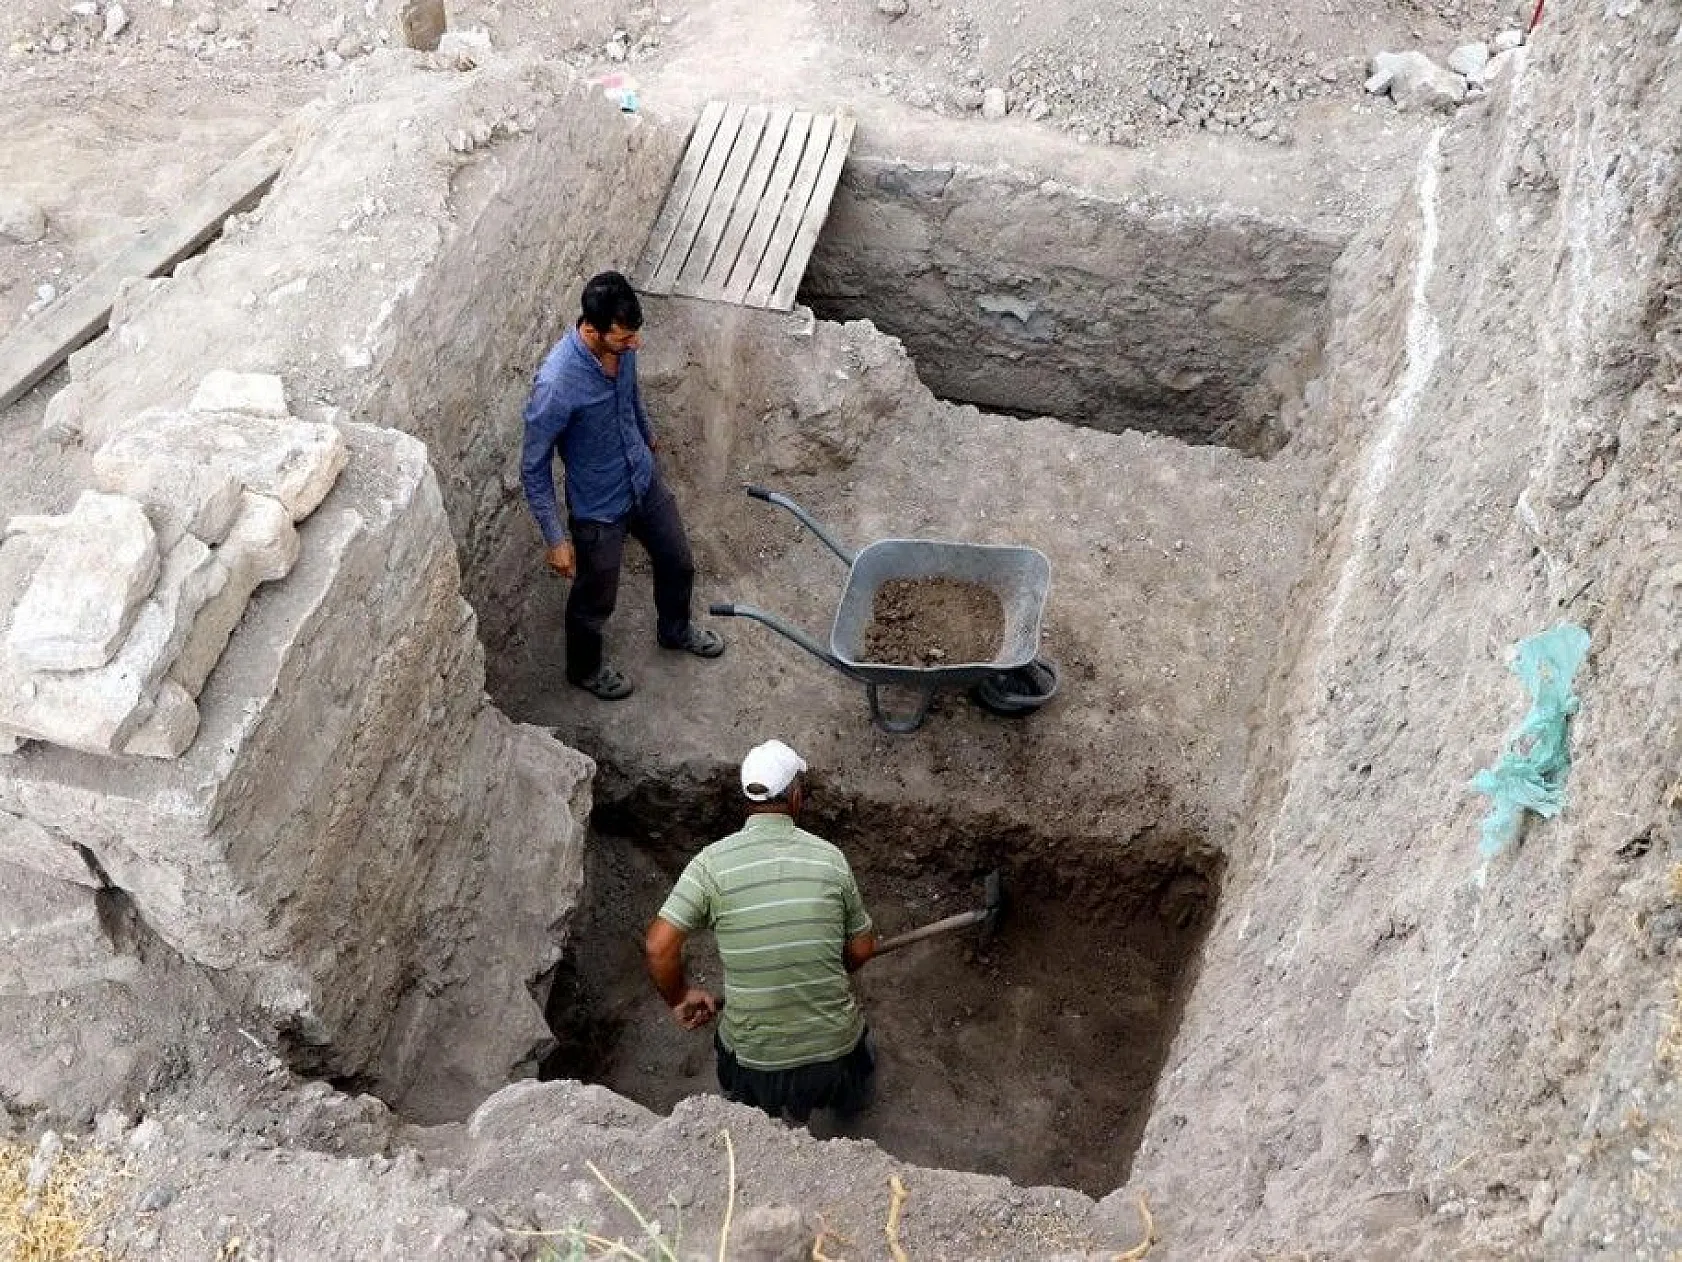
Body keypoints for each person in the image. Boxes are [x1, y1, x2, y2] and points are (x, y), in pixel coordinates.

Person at [645, 739, 879, 1126]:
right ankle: (851, 1106)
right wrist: (824, 965)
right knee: (859, 1059)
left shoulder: (710, 866)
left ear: (746, 798)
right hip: (831, 1056)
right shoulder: (830, 859)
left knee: (744, 1097)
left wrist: (680, 996)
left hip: (756, 1064)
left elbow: (658, 948)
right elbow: (862, 949)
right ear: (796, 797)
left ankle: (752, 1121)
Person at [520, 270, 724, 700]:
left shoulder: (623, 344)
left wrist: (645, 432)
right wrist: (555, 538)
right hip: (598, 510)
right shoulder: (556, 386)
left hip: (642, 480)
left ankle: (675, 630)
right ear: (591, 330)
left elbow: (630, 394)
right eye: (624, 338)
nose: (636, 345)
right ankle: (585, 670)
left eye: (635, 335)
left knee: (678, 562)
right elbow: (533, 467)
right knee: (595, 600)